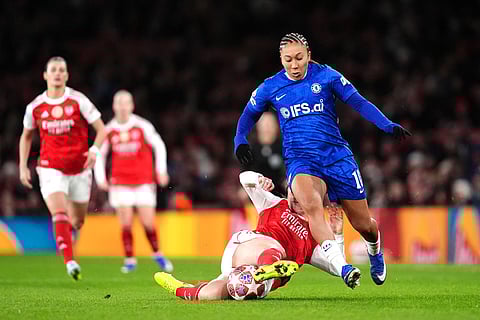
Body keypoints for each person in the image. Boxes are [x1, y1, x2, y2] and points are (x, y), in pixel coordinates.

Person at [234, 33, 412, 286]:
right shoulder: (271, 86)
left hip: (337, 159)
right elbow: (248, 114)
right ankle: (342, 267)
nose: (294, 65)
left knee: (363, 224)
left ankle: (374, 249)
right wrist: (239, 139)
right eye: (288, 60)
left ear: (308, 54)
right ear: (281, 59)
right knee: (312, 207)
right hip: (301, 161)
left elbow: (358, 102)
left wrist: (386, 124)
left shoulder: (327, 76)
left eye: (298, 58)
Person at [154, 171, 357, 301]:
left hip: (255, 283)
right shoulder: (274, 203)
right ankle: (270, 266)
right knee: (276, 248)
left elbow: (335, 267)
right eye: (292, 191)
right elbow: (244, 178)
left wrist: (337, 234)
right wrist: (259, 179)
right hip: (245, 250)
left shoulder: (315, 237)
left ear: (315, 198)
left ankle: (181, 289)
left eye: (300, 193)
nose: (294, 196)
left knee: (212, 294)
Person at [19, 56, 106, 281]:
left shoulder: (78, 100)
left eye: (62, 70)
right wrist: (22, 165)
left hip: (79, 169)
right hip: (50, 168)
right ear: (45, 75)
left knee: (77, 221)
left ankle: (67, 230)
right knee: (59, 212)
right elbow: (26, 136)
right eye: (53, 70)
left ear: (66, 75)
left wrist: (94, 151)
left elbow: (102, 130)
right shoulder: (35, 107)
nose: (57, 73)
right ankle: (70, 261)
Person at [94, 90, 173, 273]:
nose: (122, 106)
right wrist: (100, 178)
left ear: (131, 105)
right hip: (120, 182)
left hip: (144, 181)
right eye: (119, 103)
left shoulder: (142, 125)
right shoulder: (109, 130)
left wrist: (161, 170)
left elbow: (159, 145)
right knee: (126, 223)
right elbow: (99, 153)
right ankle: (129, 259)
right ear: (114, 106)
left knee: (148, 223)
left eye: (126, 102)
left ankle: (157, 254)